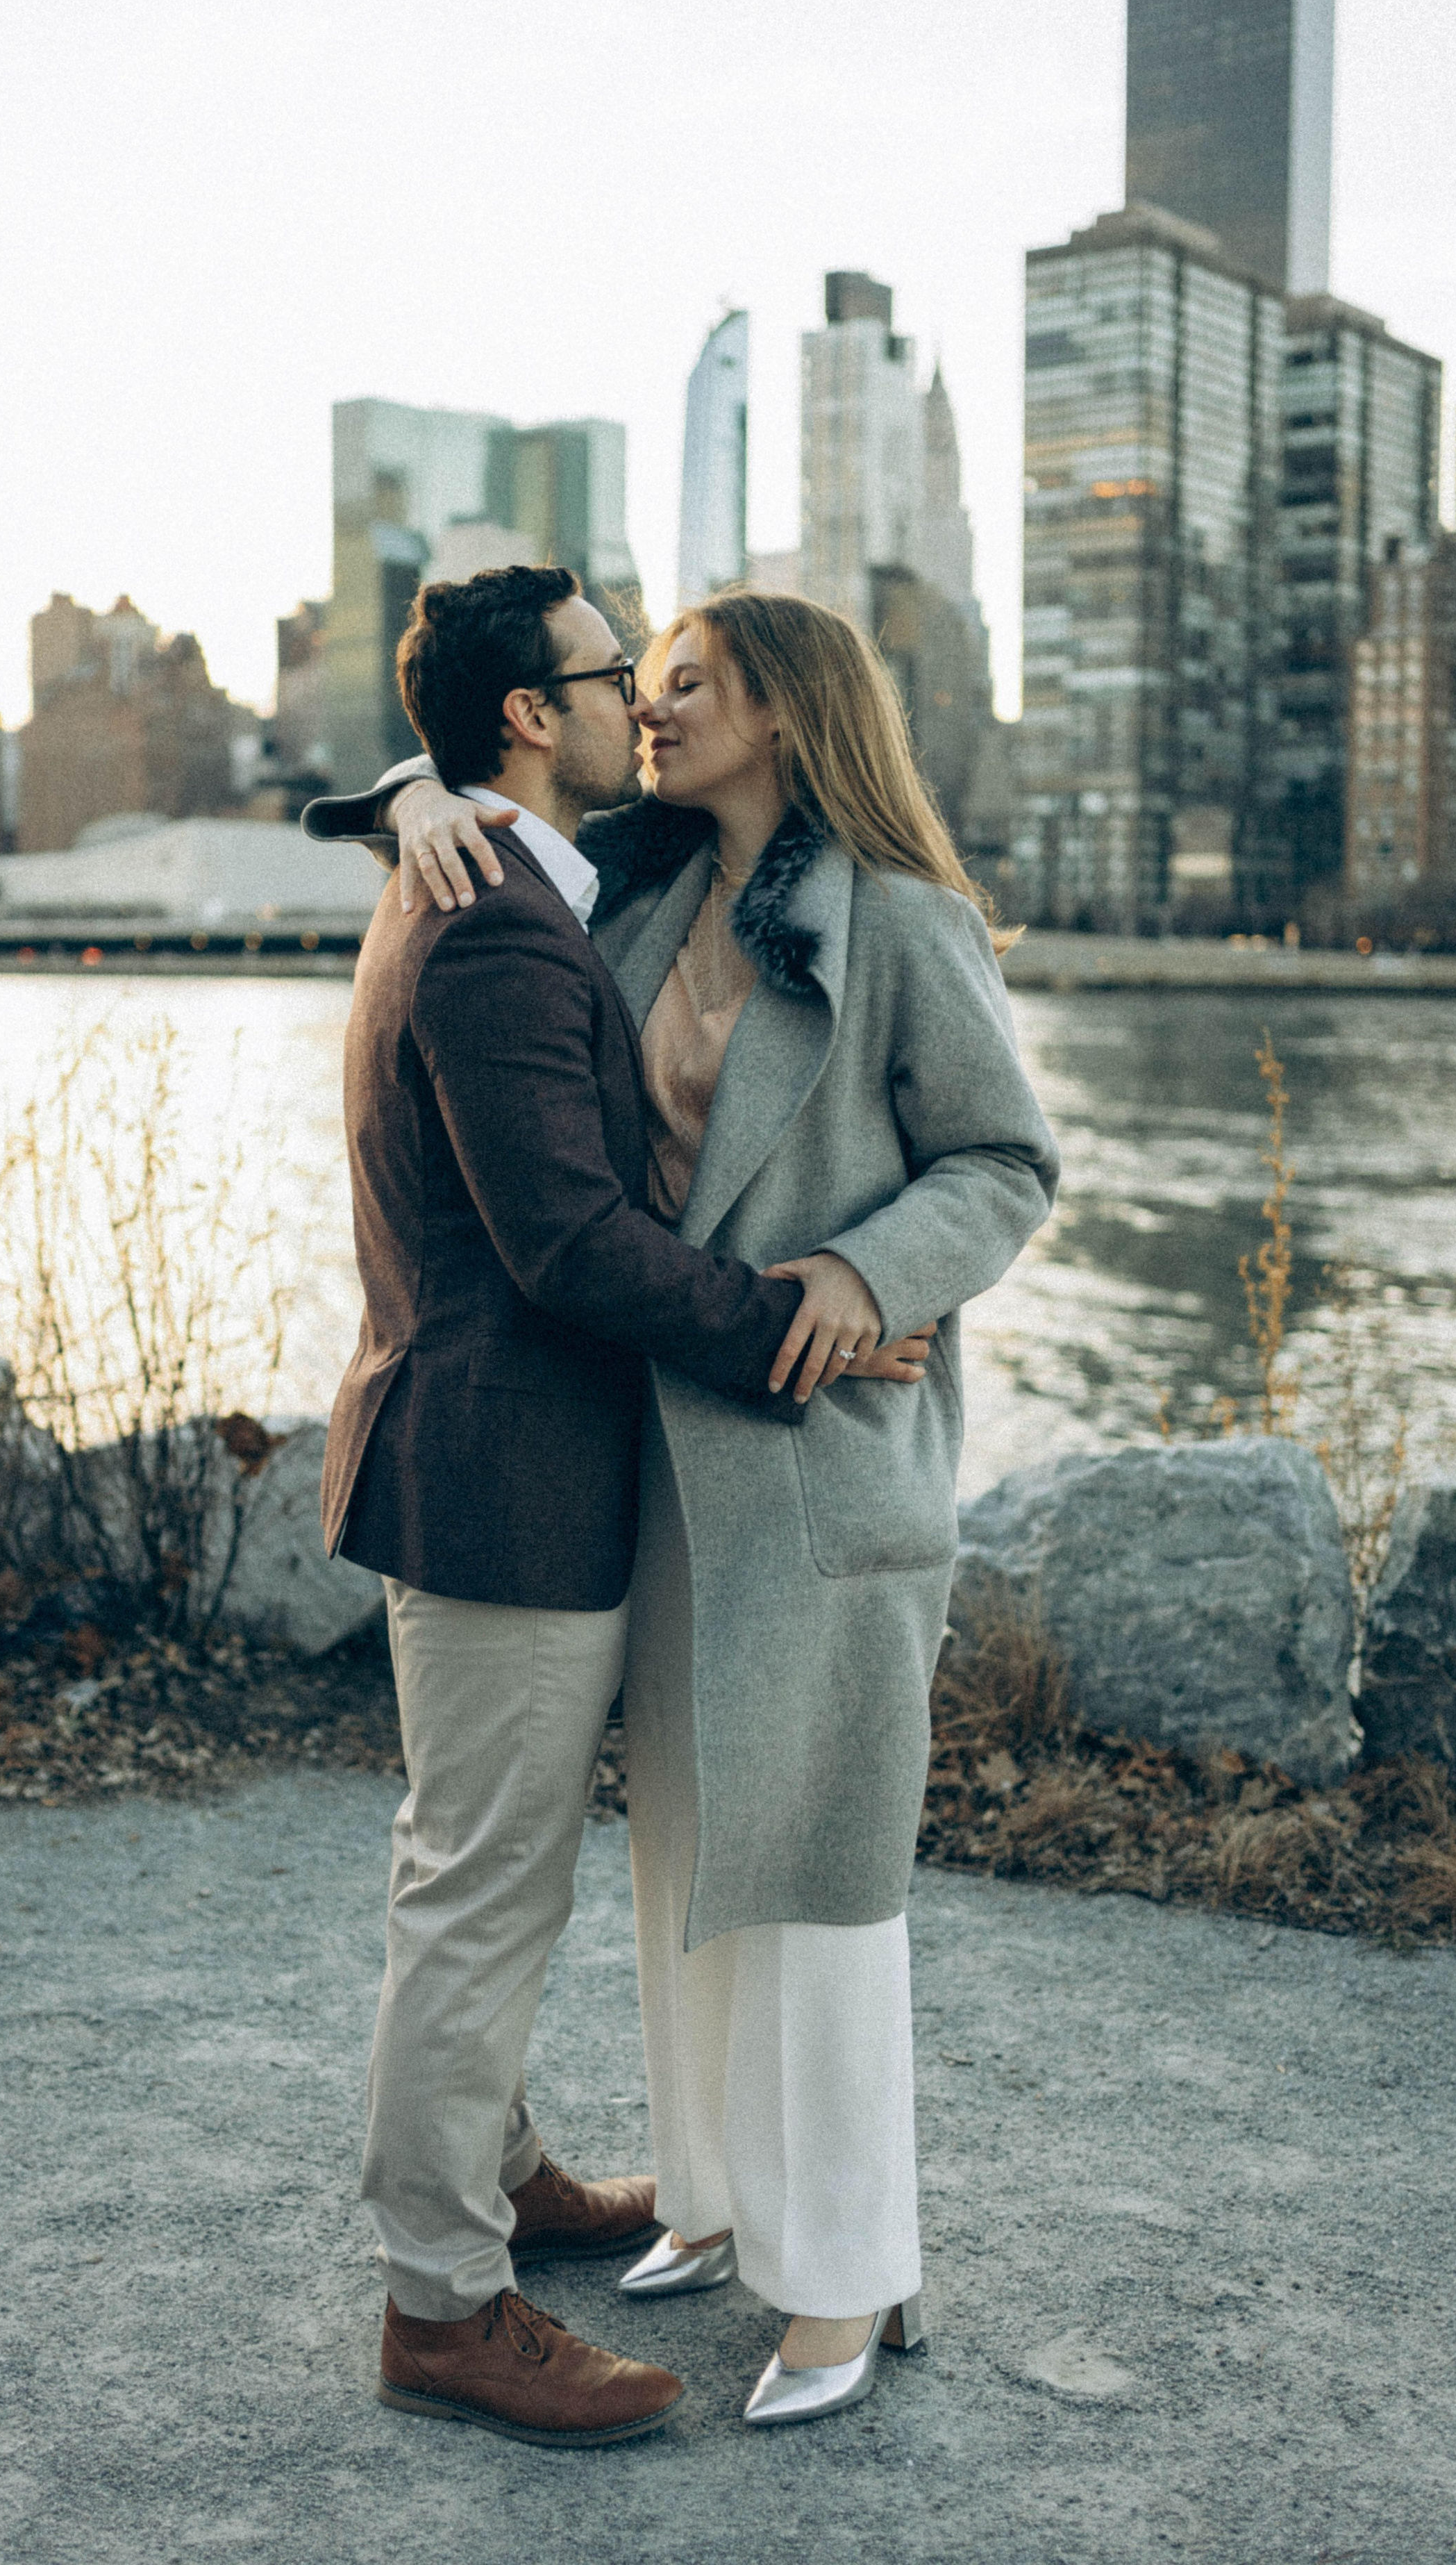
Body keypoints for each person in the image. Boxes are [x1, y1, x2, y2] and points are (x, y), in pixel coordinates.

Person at [369, 587, 1059, 2426]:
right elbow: (504, 821)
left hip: (824, 1455)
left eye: (689, 686)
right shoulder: (647, 892)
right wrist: (400, 795)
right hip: (672, 1455)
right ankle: (721, 2204)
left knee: (821, 1878)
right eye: (636, 682)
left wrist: (860, 1280)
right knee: (689, 1864)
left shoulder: (900, 919)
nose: (652, 711)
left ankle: (843, 2276)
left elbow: (1006, 1159)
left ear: (788, 712)